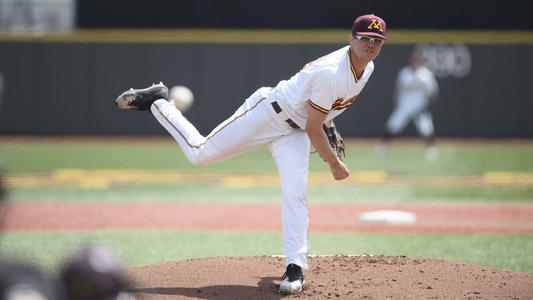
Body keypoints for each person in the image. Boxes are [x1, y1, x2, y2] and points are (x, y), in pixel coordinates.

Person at [114, 14, 387, 294]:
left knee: (296, 193)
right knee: (200, 153)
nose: (370, 44)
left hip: (293, 131)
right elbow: (313, 126)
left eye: (377, 40)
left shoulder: (367, 68)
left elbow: (322, 112)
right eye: (365, 38)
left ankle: (295, 268)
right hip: (269, 113)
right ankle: (159, 102)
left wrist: (329, 122)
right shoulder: (332, 72)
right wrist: (334, 163)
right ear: (350, 39)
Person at [376, 51, 440, 161]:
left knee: (426, 129)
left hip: (420, 107)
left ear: (420, 61)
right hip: (405, 106)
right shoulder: (404, 73)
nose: (414, 62)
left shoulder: (426, 75)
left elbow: (434, 92)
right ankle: (383, 147)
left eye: (416, 60)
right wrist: (398, 104)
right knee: (392, 125)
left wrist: (428, 106)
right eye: (413, 60)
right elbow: (398, 91)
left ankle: (432, 150)